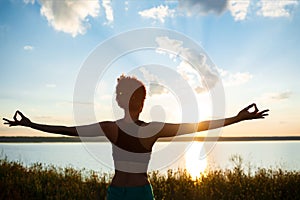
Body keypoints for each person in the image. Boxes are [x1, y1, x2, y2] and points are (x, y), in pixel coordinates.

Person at [3, 74, 269, 200]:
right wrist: (30, 124)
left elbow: (197, 126)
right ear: (121, 101)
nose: (137, 103)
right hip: (117, 194)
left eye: (140, 98)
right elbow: (68, 131)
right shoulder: (112, 128)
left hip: (142, 194)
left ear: (143, 102)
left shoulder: (147, 129)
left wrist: (238, 118)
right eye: (132, 98)